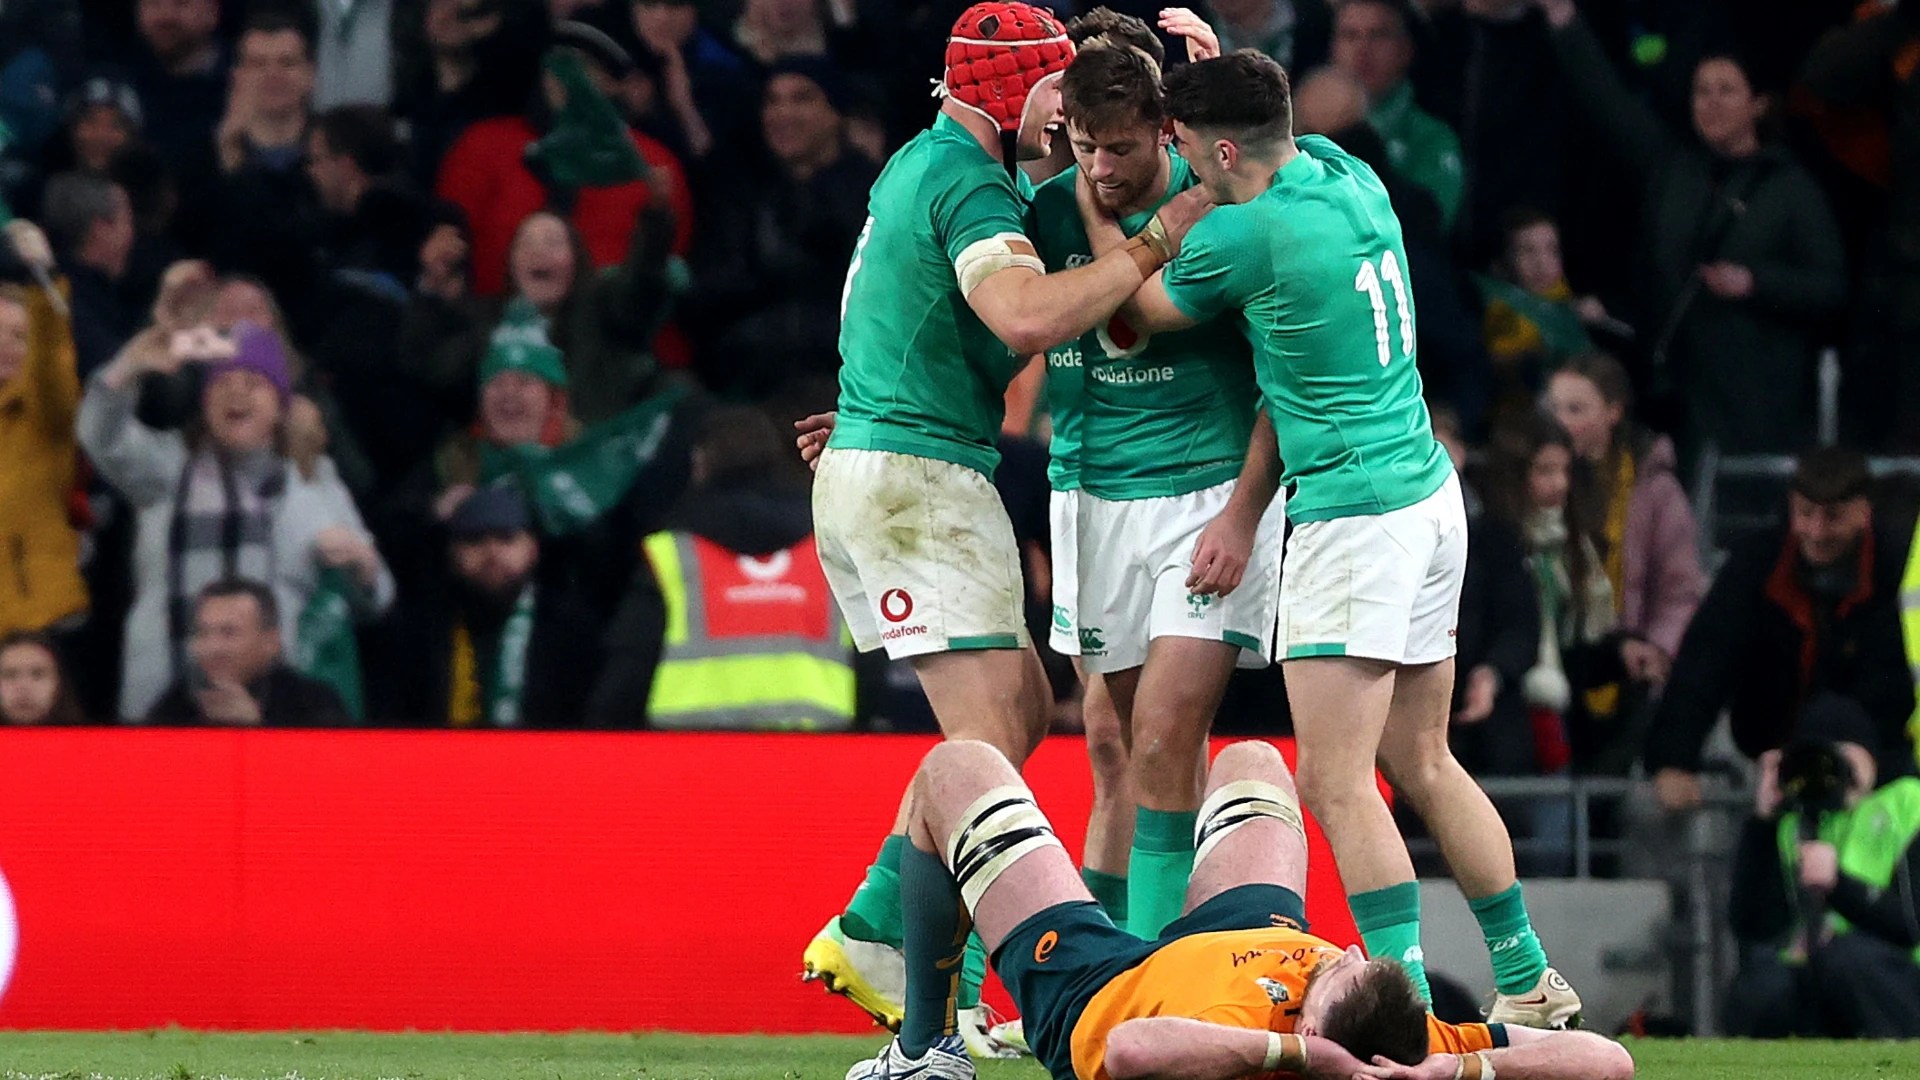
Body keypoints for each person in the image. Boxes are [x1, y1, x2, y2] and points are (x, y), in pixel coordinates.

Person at [1081, 47, 1575, 1023]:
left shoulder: (1247, 237)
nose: (1175, 160)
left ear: (1220, 147)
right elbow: (1261, 121)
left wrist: (1102, 215)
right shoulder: (1352, 178)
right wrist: (1206, 48)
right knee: (1425, 760)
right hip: (1431, 493)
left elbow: (1133, 309)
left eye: (1181, 143)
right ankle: (1526, 976)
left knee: (1336, 780)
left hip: (1354, 515)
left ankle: (1412, 1008)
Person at [792, 0, 1212, 1046]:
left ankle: (887, 927)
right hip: (918, 478)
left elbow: (910, 309)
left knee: (1017, 713)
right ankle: (926, 1008)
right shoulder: (971, 182)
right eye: (1055, 91)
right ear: (1010, 91)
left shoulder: (919, 165)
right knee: (982, 751)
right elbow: (1025, 317)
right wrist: (1160, 237)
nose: (1069, 115)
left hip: (906, 459)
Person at [841, 737, 1637, 1080]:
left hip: (1094, 986)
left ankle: (925, 1053)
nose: (1346, 953)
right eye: (1351, 957)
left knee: (954, 773)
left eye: (1335, 976)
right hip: (1244, 935)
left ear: (1314, 1033)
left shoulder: (1251, 1048)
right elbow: (1610, 1062)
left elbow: (1129, 1053)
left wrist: (1301, 1060)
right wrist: (1449, 1066)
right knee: (1255, 761)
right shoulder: (1411, 1036)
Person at [1028, 9, 1284, 944]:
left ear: (1166, 131)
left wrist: (1247, 515)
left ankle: (1148, 973)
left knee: (1169, 740)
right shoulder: (1044, 207)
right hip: (1094, 493)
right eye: (1087, 147)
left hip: (1208, 492)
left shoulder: (1219, 205)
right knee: (1119, 748)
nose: (1103, 167)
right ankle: (1106, 968)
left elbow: (1147, 328)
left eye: (1123, 147)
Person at [1534, 0, 1846, 460]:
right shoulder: (1674, 169)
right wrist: (1565, 21)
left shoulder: (1790, 189)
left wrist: (1756, 283)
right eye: (1701, 91)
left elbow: (1832, 288)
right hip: (1676, 398)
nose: (1711, 103)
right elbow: (1610, 107)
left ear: (1759, 103)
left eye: (1726, 91)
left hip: (1755, 402)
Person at [76, 319, 395, 721]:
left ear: (280, 407)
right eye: (223, 383)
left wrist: (361, 566)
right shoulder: (166, 469)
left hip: (271, 715)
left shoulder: (313, 487)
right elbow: (100, 436)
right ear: (206, 404)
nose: (236, 392)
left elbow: (378, 596)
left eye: (254, 382)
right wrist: (127, 368)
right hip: (161, 706)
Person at [1648, 447, 1915, 812]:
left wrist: (1855, 763)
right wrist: (1674, 758)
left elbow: (1890, 686)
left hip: (1868, 772)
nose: (1817, 531)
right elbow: (1705, 659)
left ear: (1863, 512)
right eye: (1806, 514)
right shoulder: (1756, 565)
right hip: (1765, 759)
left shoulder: (1894, 575)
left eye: (1833, 517)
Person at [589, 405, 851, 730]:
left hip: (691, 760)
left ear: (700, 462)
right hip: (818, 757)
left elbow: (630, 670)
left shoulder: (673, 552)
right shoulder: (825, 547)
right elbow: (869, 659)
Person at [434, 24, 694, 299]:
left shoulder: (653, 164)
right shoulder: (483, 146)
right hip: (499, 327)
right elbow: (449, 247)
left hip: (612, 333)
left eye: (585, 66)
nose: (565, 77)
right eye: (556, 63)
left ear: (613, 84)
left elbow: (661, 271)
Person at [1725, 697, 1920, 1038]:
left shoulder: (1907, 804)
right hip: (1819, 966)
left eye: (1847, 755)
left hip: (1898, 971)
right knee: (1763, 981)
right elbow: (1751, 924)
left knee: (1847, 958)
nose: (1835, 770)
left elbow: (1911, 923)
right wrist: (1762, 822)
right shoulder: (1795, 822)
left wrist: (1839, 885)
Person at [686, 58, 880, 400]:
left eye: (801, 98)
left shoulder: (879, 194)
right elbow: (709, 291)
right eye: (772, 100)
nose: (783, 113)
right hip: (751, 385)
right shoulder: (741, 194)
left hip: (850, 384)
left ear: (836, 114)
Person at [1544, 354, 1705, 710]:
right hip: (1553, 662)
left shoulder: (1655, 489)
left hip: (1634, 670)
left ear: (1613, 412)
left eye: (1576, 409)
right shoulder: (1538, 484)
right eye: (1554, 408)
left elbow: (1679, 588)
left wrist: (1657, 649)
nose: (1561, 421)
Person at [368, 486, 603, 728]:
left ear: (532, 549)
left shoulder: (570, 629)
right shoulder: (418, 629)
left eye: (506, 538)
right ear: (452, 553)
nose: (492, 553)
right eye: (474, 539)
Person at [0, 249, 88, 642]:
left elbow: (53, 365)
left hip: (43, 621)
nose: (5, 346)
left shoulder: (47, 416)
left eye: (20, 337)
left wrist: (44, 284)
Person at [1329, 0, 1462, 230]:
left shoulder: (1431, 138)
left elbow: (1429, 223)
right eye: (1350, 36)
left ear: (1405, 51)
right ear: (1333, 50)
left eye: (1379, 35)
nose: (1363, 49)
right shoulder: (1304, 127)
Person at [148, 578, 353, 726]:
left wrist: (256, 729)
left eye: (229, 633)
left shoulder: (315, 703)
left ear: (271, 642)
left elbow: (330, 778)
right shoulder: (176, 704)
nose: (213, 647)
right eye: (203, 633)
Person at [36, 172, 138, 379]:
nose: (132, 233)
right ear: (100, 229)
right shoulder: (67, 306)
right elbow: (118, 375)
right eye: (126, 221)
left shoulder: (57, 288)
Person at [0, 630, 88, 725]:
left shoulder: (92, 738)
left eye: (38, 674)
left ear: (59, 683)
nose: (24, 686)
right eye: (10, 675)